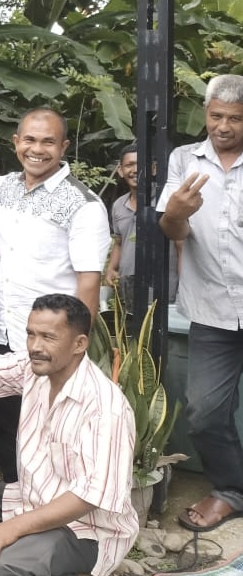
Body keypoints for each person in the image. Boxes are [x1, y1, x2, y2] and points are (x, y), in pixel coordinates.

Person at [0, 294, 137, 576]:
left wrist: (10, 528)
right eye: (30, 334)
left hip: (87, 529)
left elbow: (88, 498)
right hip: (28, 499)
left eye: (48, 337)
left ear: (79, 344)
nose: (35, 346)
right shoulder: (34, 369)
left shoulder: (106, 408)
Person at [0, 108, 111, 482]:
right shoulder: (5, 186)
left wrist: (73, 353)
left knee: (53, 435)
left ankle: (53, 523)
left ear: (64, 147)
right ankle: (15, 506)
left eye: (48, 142)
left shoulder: (84, 206)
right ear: (16, 143)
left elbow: (88, 286)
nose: (37, 149)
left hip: (52, 344)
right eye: (30, 140)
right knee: (8, 429)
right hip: (8, 336)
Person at [157, 73, 243, 533]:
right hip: (211, 309)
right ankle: (231, 490)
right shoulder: (184, 159)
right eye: (216, 116)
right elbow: (172, 231)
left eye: (234, 118)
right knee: (204, 411)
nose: (223, 126)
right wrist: (176, 213)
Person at [105, 143, 179, 307]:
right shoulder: (118, 205)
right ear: (120, 170)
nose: (135, 169)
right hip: (129, 289)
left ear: (153, 169)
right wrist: (111, 268)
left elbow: (181, 245)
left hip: (164, 289)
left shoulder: (166, 200)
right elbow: (119, 241)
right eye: (129, 165)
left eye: (141, 164)